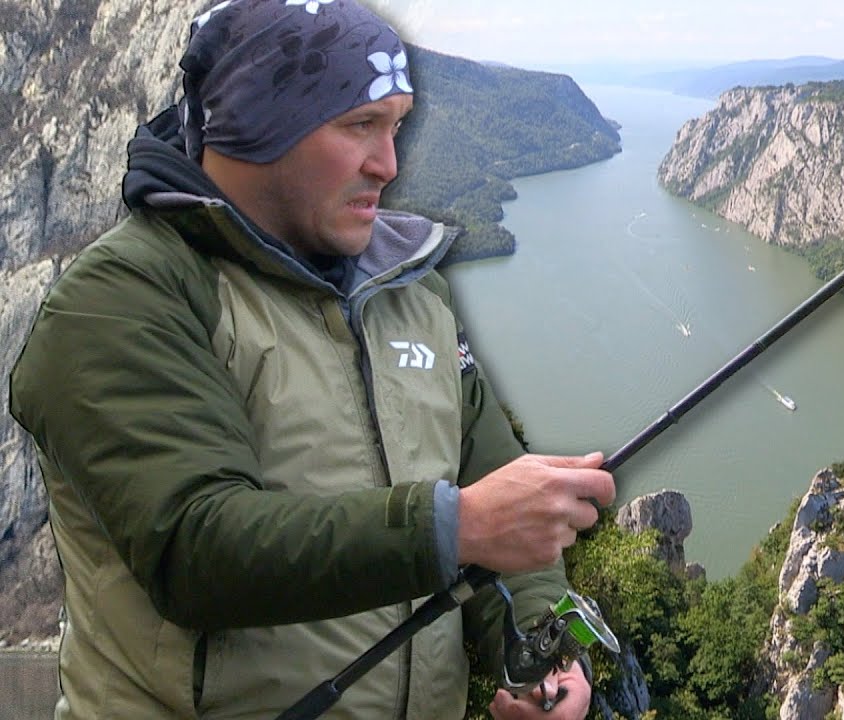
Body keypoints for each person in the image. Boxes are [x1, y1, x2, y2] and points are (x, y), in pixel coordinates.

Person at [7, 1, 614, 718]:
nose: (388, 163)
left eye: (396, 124)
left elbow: (496, 490)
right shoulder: (127, 297)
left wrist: (541, 650)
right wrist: (456, 528)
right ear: (262, 127)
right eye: (360, 125)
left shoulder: (411, 293)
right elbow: (196, 551)